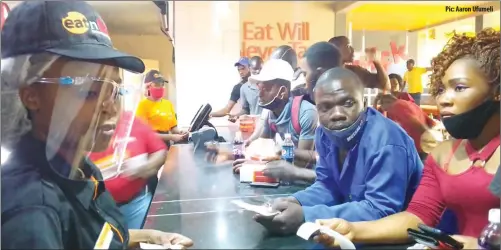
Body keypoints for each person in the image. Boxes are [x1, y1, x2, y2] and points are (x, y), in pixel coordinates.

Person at [1, 2, 193, 249]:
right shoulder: (31, 212)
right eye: (89, 90)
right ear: (31, 94)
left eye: (113, 89)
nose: (110, 107)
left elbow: (93, 239)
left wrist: (151, 236)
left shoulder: (80, 168)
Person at [316, 28, 501, 249]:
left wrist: (478, 245)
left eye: (459, 88)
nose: (444, 99)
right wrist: (353, 230)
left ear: (496, 91)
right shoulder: (444, 155)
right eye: (441, 89)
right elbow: (419, 216)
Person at [253, 67, 423, 236]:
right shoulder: (325, 134)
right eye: (325, 107)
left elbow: (381, 210)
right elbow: (328, 186)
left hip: (406, 237)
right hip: (355, 231)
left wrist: (306, 215)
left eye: (348, 103)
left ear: (364, 103)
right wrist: (294, 201)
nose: (337, 115)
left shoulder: (387, 142)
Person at [208, 59, 318, 172]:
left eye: (266, 89)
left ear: (282, 92)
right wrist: (229, 155)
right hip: (289, 169)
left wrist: (257, 168)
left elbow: (301, 165)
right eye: (259, 88)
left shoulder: (306, 112)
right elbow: (261, 148)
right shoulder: (270, 114)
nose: (259, 94)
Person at [89, 112, 167, 229]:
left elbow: (160, 151)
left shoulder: (131, 120)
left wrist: (145, 168)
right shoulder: (79, 127)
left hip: (136, 205)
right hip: (95, 211)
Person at [374, 74, 438, 160]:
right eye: (390, 83)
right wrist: (375, 102)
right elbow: (377, 119)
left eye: (395, 84)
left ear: (400, 85)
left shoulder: (403, 100)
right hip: (406, 146)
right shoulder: (387, 103)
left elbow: (415, 121)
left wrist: (430, 138)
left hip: (416, 145)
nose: (393, 86)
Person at [136, 70, 188, 144]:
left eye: (162, 84)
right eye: (157, 84)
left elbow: (173, 128)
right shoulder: (142, 105)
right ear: (148, 86)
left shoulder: (168, 104)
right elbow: (144, 134)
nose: (160, 87)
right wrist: (171, 137)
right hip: (151, 146)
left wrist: (180, 132)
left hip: (166, 145)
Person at [228, 56, 263, 122]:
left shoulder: (271, 84)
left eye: (259, 68)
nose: (257, 71)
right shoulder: (243, 88)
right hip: (254, 125)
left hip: (270, 125)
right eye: (239, 70)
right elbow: (246, 109)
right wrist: (237, 116)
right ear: (250, 68)